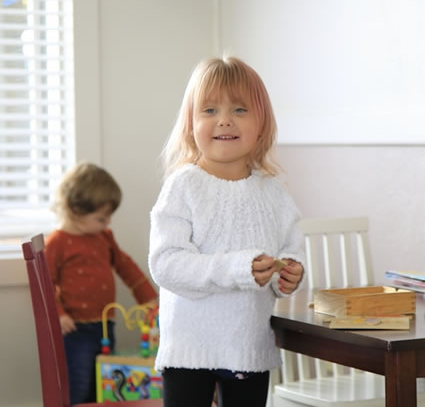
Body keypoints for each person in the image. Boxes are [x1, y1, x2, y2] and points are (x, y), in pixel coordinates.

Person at [148, 56, 305, 407]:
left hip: (248, 346)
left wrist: (291, 273)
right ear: (190, 125)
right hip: (189, 349)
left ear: (261, 125)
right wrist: (237, 269)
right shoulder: (183, 186)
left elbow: (291, 251)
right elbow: (166, 264)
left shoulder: (274, 193)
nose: (224, 120)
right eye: (209, 110)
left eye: (239, 109)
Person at [45, 162, 157, 405]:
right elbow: (47, 285)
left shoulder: (103, 237)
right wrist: (59, 314)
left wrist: (148, 298)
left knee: (102, 381)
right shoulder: (57, 243)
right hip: (75, 329)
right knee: (80, 382)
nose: (106, 224)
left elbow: (126, 267)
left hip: (104, 325)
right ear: (75, 211)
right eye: (100, 219)